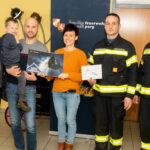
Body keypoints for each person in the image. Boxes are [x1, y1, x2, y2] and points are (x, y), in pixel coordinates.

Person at [88, 13, 138, 150]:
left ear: (119, 26)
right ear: (104, 26)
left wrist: (129, 95)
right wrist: (90, 80)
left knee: (116, 133)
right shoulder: (97, 46)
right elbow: (91, 68)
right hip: (99, 97)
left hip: (118, 99)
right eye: (107, 23)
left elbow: (134, 73)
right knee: (100, 132)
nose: (110, 26)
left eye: (113, 23)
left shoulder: (128, 46)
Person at [5, 17, 48, 150]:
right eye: (28, 26)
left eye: (33, 26)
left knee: (30, 125)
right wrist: (7, 70)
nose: (30, 29)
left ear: (37, 28)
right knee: (15, 122)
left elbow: (44, 75)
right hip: (12, 87)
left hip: (29, 89)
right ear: (23, 28)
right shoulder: (15, 43)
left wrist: (36, 79)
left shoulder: (42, 48)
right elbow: (4, 62)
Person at [45, 24, 87, 150]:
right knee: (61, 119)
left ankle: (69, 143)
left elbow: (84, 76)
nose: (68, 38)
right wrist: (44, 73)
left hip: (73, 93)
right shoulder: (57, 53)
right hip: (57, 92)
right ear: (63, 37)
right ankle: (61, 142)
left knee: (70, 120)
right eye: (66, 35)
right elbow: (51, 75)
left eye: (71, 35)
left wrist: (67, 75)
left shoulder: (81, 54)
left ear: (76, 37)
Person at [1, 17, 31, 111]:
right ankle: (21, 100)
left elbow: (20, 48)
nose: (14, 30)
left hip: (13, 63)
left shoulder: (12, 38)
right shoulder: (7, 37)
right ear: (6, 28)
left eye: (16, 28)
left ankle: (21, 100)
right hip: (10, 63)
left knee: (22, 78)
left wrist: (17, 39)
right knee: (22, 78)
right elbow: (4, 50)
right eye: (11, 28)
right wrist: (6, 65)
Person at [133, 43, 150, 150]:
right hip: (145, 98)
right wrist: (137, 93)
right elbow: (141, 71)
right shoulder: (148, 47)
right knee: (145, 127)